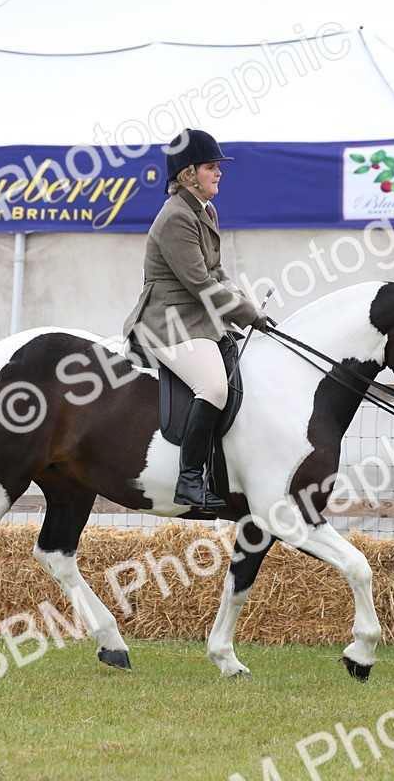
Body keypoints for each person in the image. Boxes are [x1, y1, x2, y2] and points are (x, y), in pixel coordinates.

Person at [123, 129, 268, 513]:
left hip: (195, 317)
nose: (218, 172)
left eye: (217, 166)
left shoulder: (203, 209)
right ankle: (188, 481)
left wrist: (247, 306)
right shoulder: (175, 218)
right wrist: (248, 315)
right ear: (189, 175)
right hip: (167, 321)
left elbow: (217, 271)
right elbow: (200, 283)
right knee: (214, 388)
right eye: (210, 166)